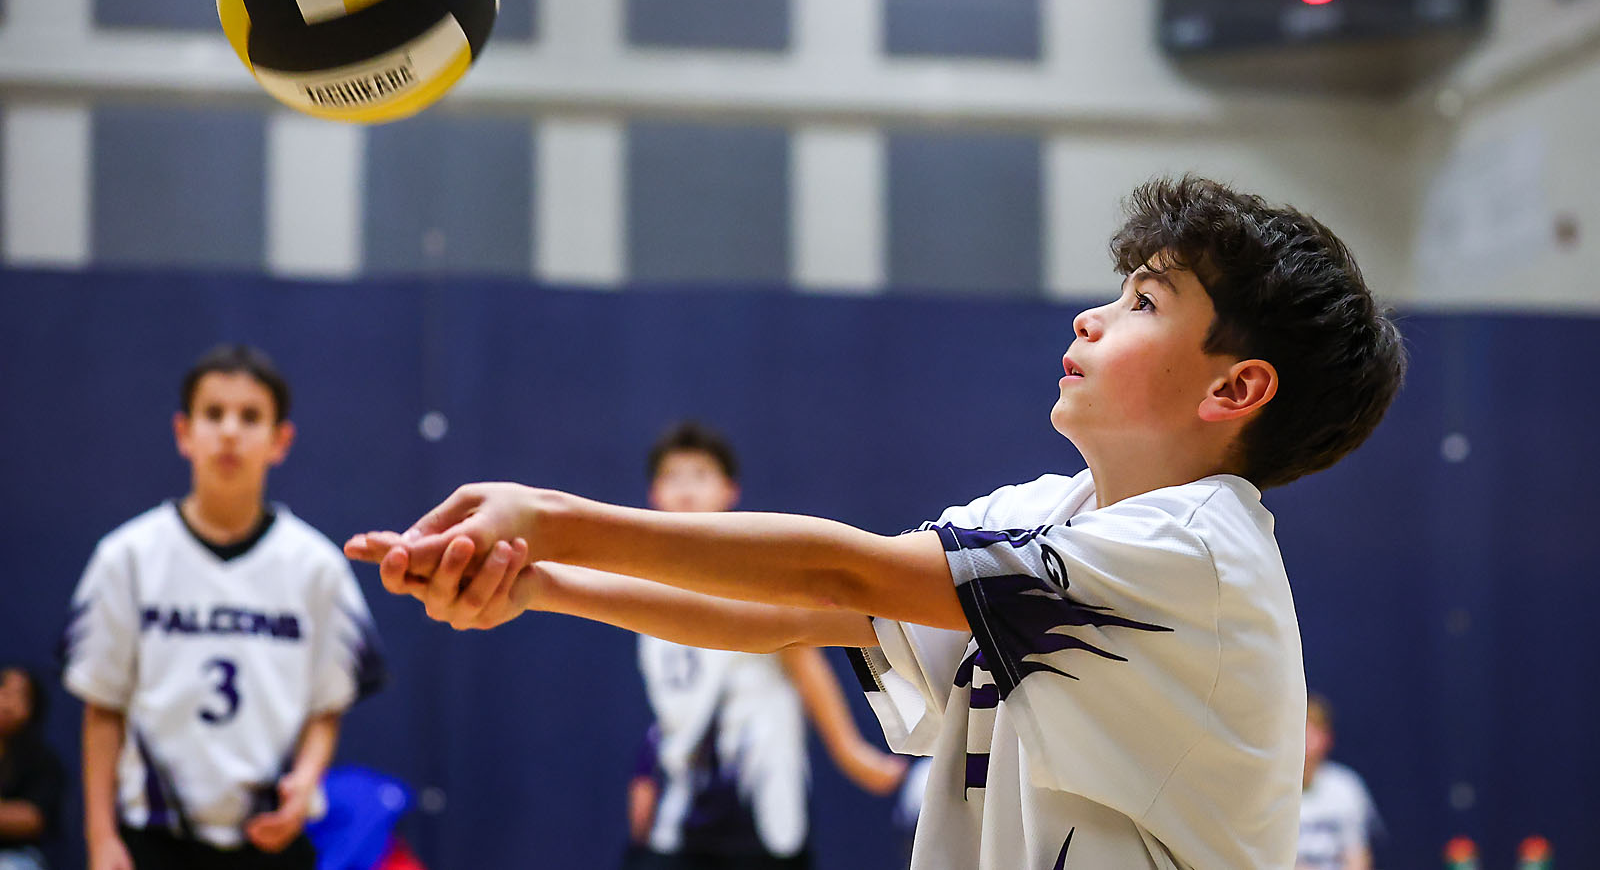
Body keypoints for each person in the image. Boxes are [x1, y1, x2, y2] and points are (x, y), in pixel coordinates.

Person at [346, 175, 1407, 869]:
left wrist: (555, 518)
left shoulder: (1195, 552)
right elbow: (810, 604)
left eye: (1143, 301)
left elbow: (846, 574)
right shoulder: (1045, 515)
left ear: (1234, 388)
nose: (1092, 313)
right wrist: (535, 580)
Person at [61, 344, 386, 870]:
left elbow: (328, 705)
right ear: (183, 432)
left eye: (250, 417)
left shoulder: (317, 566)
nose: (230, 431)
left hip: (271, 841)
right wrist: (100, 837)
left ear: (281, 441)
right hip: (153, 839)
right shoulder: (127, 557)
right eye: (214, 414)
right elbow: (103, 707)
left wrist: (304, 786)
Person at [622, 422, 904, 869]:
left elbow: (804, 662)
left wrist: (849, 749)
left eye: (700, 475)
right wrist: (645, 773)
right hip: (677, 817)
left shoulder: (749, 573)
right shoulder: (643, 587)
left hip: (760, 815)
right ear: (654, 494)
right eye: (673, 478)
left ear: (729, 492)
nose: (686, 490)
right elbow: (677, 705)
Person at [1296, 694, 1381, 870]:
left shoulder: (1346, 786)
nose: (1307, 739)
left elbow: (1358, 854)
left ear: (1328, 738)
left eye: (1314, 730)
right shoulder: (1268, 791)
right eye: (1301, 730)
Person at [0, 666, 66, 870]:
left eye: (18, 695)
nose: (6, 703)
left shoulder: (41, 759)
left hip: (16, 855)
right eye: (3, 690)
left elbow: (33, 819)